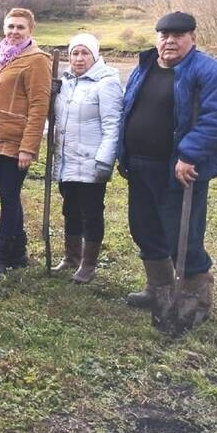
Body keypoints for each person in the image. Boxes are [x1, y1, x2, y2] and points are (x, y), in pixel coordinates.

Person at [117, 11, 217, 324]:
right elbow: (129, 110)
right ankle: (159, 288)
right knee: (144, 229)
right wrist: (123, 152)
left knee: (182, 235)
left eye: (177, 36)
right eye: (163, 35)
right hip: (140, 165)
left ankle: (196, 299)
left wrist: (189, 155)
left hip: (178, 170)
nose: (169, 41)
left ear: (192, 38)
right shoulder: (144, 67)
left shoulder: (208, 71)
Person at [0, 8, 53, 277]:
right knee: (8, 197)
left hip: (15, 142)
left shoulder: (37, 60)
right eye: (10, 26)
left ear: (30, 30)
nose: (14, 32)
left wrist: (28, 147)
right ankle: (19, 253)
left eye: (20, 27)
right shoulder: (1, 57)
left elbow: (39, 106)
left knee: (9, 200)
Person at [51, 32, 123, 284]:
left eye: (84, 53)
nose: (78, 59)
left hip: (91, 160)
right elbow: (58, 120)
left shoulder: (106, 83)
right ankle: (71, 256)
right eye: (74, 53)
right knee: (69, 209)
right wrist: (51, 97)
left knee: (91, 212)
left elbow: (113, 125)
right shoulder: (66, 82)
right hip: (67, 159)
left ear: (95, 56)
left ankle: (88, 264)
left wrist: (104, 160)